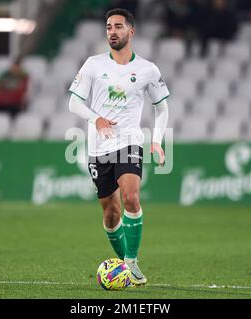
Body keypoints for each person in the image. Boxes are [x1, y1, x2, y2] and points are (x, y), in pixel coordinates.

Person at [68, 8, 170, 286]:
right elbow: (74, 103)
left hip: (129, 142)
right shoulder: (93, 64)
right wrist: (95, 118)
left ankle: (131, 263)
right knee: (110, 213)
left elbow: (161, 109)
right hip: (98, 148)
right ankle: (125, 261)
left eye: (118, 27)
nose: (112, 31)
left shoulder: (148, 70)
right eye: (109, 27)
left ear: (131, 31)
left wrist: (157, 142)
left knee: (131, 198)